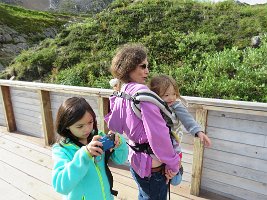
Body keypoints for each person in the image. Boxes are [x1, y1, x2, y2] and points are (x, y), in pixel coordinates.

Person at [104, 43, 181, 200]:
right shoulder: (144, 96)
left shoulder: (122, 91)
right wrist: (174, 164)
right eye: (142, 66)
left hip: (136, 162)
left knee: (143, 195)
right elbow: (159, 137)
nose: (147, 71)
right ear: (129, 67)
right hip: (153, 169)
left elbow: (114, 125)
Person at [52, 97, 128, 200]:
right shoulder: (61, 150)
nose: (87, 129)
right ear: (66, 126)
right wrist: (84, 155)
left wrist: (119, 143)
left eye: (90, 122)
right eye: (80, 126)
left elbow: (120, 159)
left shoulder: (98, 137)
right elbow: (60, 186)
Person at [149, 74, 212, 185]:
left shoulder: (175, 105)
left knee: (175, 171)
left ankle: (177, 171)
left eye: (174, 94)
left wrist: (198, 132)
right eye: (166, 95)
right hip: (160, 140)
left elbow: (187, 118)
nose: (171, 98)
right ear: (156, 95)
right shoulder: (152, 106)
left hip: (173, 138)